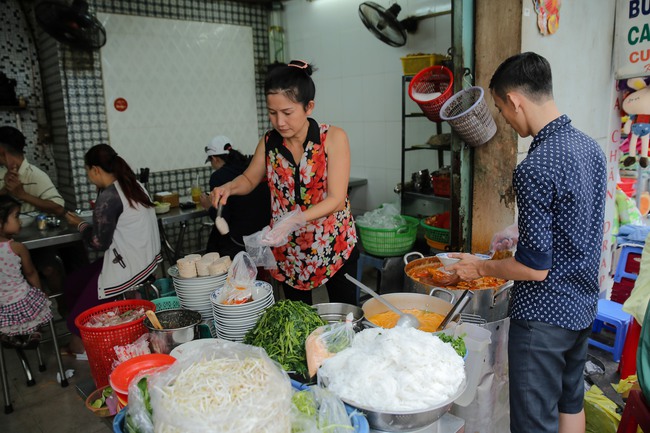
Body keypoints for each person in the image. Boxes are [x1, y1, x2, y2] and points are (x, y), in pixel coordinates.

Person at [448, 52, 607, 433]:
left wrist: (480, 266)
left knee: (533, 422)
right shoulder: (590, 148)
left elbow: (534, 268)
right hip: (583, 306)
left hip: (544, 319)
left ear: (516, 100)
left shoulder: (535, 166)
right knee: (570, 402)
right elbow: (574, 222)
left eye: (502, 109)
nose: (505, 118)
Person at [210, 60, 359, 305]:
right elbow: (249, 178)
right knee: (296, 320)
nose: (279, 122)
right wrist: (229, 187)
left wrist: (296, 219)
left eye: (287, 112)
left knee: (344, 318)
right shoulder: (269, 142)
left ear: (308, 106)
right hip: (289, 252)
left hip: (335, 244)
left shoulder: (332, 138)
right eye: (272, 112)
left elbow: (336, 199)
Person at [63, 144, 162, 355]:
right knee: (73, 282)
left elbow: (98, 243)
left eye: (88, 171)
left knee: (75, 320)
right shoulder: (133, 185)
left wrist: (79, 224)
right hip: (143, 259)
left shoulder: (109, 196)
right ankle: (95, 334)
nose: (89, 177)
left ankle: (85, 347)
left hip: (128, 267)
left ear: (96, 169)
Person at [199, 135, 271, 258]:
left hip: (238, 240)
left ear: (214, 158)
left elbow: (222, 218)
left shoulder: (218, 177)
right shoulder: (251, 167)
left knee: (213, 245)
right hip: (264, 234)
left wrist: (209, 207)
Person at [0, 196, 52, 349]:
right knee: (39, 306)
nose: (20, 221)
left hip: (1, 305)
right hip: (21, 299)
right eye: (16, 217)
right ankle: (34, 333)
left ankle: (7, 334)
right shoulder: (16, 247)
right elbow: (30, 273)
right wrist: (41, 292)